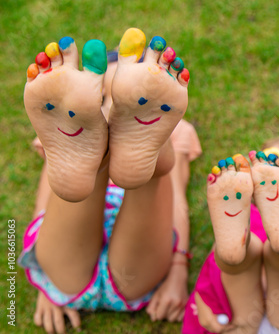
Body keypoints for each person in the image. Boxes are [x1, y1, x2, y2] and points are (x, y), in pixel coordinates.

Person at [19, 27, 198, 333]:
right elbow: (53, 185)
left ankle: (149, 158)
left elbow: (176, 198)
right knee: (78, 174)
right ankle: (107, 154)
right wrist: (43, 269)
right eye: (107, 96)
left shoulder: (179, 128)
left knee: (153, 171)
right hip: (128, 276)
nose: (112, 105)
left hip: (73, 277)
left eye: (125, 99)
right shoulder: (61, 126)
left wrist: (48, 277)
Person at [183, 133, 279, 334]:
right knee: (240, 251)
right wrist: (202, 297)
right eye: (273, 159)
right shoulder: (242, 211)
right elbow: (217, 255)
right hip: (241, 304)